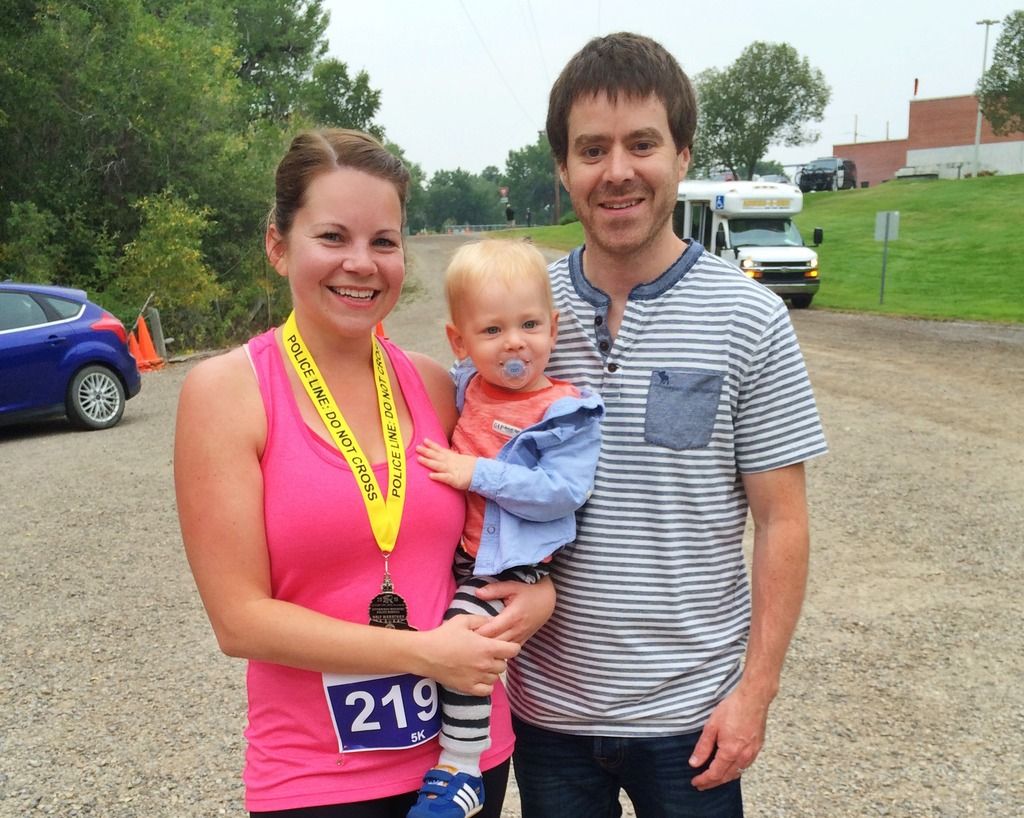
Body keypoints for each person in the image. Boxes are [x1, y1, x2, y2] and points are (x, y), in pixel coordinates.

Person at [477, 33, 828, 817]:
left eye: (642, 144)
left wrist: (756, 692)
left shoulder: (750, 319)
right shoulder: (521, 316)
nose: (617, 171)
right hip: (548, 716)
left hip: (693, 721)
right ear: (563, 169)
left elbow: (781, 521)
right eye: (591, 149)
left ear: (681, 154)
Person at [174, 129, 555, 818]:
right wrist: (424, 654)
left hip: (461, 758)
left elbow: (497, 520)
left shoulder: (439, 386)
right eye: (332, 236)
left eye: (384, 241)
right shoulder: (227, 392)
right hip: (318, 776)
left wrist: (539, 595)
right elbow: (239, 620)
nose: (362, 264)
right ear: (277, 245)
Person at [409, 240, 603, 818]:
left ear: (554, 327)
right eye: (492, 331)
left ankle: (461, 767)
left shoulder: (566, 410)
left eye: (529, 324)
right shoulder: (463, 388)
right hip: (460, 556)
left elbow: (563, 493)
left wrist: (479, 472)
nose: (515, 342)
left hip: (512, 565)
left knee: (465, 639)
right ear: (459, 343)